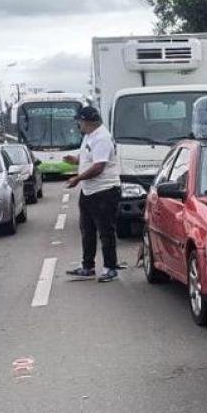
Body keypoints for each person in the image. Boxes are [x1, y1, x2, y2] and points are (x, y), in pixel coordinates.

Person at [63, 105, 122, 283]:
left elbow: (99, 166)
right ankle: (87, 266)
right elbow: (90, 157)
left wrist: (78, 178)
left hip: (104, 191)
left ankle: (110, 268)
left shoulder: (102, 137)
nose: (78, 125)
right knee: (87, 230)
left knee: (105, 231)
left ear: (88, 121)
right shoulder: (90, 136)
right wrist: (76, 160)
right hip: (89, 191)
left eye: (79, 122)